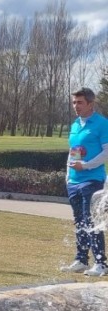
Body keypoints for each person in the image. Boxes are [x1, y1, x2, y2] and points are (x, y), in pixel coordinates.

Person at [63, 87, 108, 277]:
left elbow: (106, 151)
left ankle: (101, 263)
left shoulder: (102, 124)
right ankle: (81, 259)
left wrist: (87, 165)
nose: (76, 106)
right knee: (79, 221)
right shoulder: (75, 125)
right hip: (74, 181)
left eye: (80, 102)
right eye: (74, 102)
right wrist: (67, 175)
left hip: (92, 179)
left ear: (90, 103)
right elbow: (72, 151)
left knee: (92, 221)